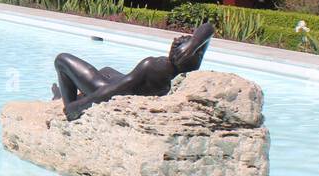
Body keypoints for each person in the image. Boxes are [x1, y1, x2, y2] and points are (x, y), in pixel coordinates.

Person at [51, 21, 214, 120]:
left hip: (105, 88)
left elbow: (110, 92)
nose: (176, 39)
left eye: (180, 43)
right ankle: (68, 94)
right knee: (107, 69)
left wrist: (78, 107)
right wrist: (193, 44)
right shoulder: (191, 65)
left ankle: (66, 100)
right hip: (121, 81)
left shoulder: (152, 66)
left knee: (61, 60)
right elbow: (208, 28)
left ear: (180, 54)